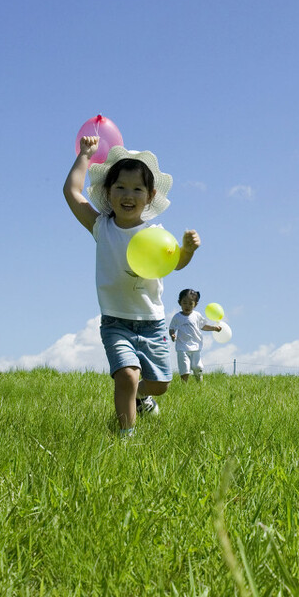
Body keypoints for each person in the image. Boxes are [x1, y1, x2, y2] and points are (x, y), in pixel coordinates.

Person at [64, 136, 201, 438]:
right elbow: (72, 192)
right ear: (108, 192)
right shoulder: (102, 226)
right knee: (126, 375)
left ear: (150, 196)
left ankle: (141, 397)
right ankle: (125, 438)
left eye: (137, 188)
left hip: (151, 323)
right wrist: (86, 155)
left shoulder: (155, 234)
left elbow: (174, 263)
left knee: (162, 384)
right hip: (116, 321)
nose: (128, 195)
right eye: (121, 187)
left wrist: (187, 251)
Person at [169, 289, 222, 382]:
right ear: (179, 303)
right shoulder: (177, 317)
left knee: (197, 367)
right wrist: (172, 334)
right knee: (184, 368)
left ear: (195, 304)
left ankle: (199, 382)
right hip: (182, 347)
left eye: (190, 303)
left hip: (195, 346)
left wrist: (214, 328)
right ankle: (184, 386)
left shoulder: (197, 315)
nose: (187, 306)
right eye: (184, 303)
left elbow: (203, 326)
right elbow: (171, 327)